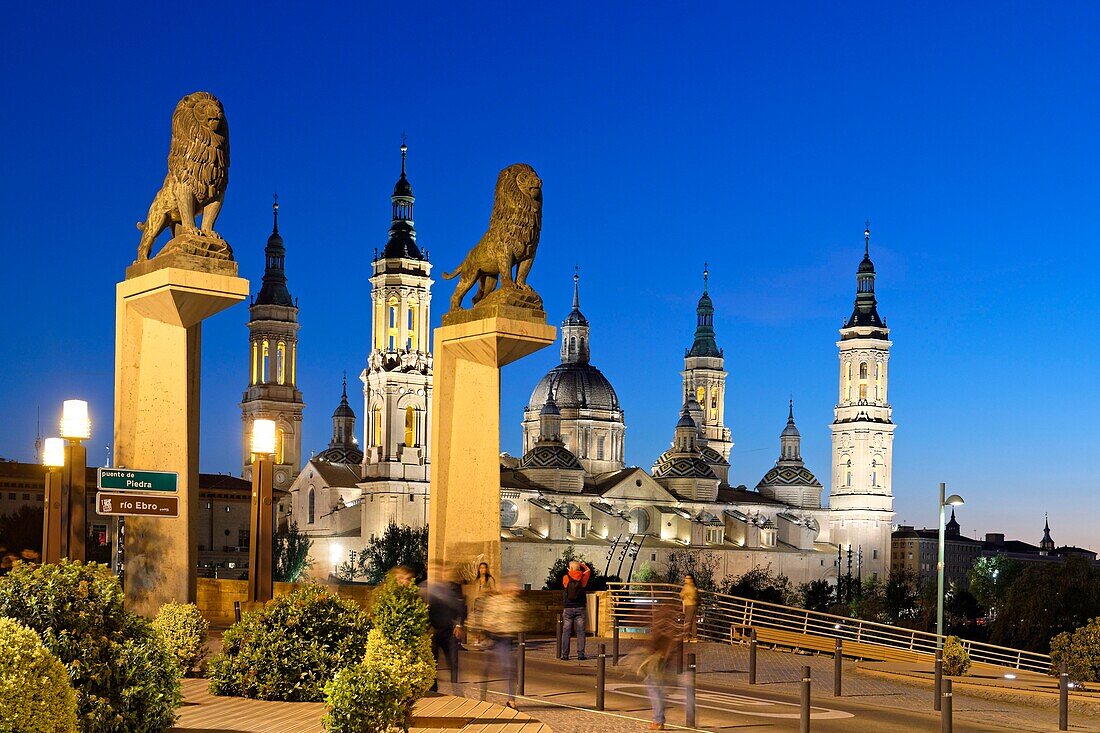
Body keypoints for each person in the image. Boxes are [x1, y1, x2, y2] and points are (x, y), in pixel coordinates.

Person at [479, 574, 526, 709]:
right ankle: (483, 696)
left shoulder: (516, 603)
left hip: (506, 640)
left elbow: (520, 620)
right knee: (487, 669)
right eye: (513, 586)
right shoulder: (496, 601)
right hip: (494, 637)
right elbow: (488, 618)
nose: (516, 589)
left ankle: (511, 700)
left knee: (510, 669)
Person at [421, 562, 467, 691]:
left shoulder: (453, 588)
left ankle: (456, 689)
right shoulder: (425, 588)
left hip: (449, 631)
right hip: (433, 631)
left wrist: (459, 624)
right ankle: (433, 689)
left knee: (453, 663)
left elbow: (461, 608)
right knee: (432, 662)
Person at [639, 601, 679, 730]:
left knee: (654, 690)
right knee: (659, 690)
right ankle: (659, 719)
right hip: (664, 660)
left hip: (657, 660)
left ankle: (658, 720)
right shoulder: (672, 626)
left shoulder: (660, 624)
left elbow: (654, 642)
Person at [560, 560, 591, 660]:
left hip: (568, 607)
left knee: (566, 632)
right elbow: (588, 570)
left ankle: (565, 655)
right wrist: (581, 565)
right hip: (580, 607)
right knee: (581, 632)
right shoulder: (583, 578)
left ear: (570, 568)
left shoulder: (566, 578)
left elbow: (566, 583)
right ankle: (581, 654)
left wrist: (571, 569)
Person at [470, 561, 496, 649]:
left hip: (486, 602)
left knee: (486, 622)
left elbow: (494, 591)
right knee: (477, 622)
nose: (482, 570)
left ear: (486, 569)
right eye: (480, 568)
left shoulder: (490, 579)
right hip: (477, 601)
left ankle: (487, 639)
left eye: (484, 568)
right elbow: (474, 592)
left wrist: (486, 592)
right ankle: (477, 639)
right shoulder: (477, 580)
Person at [680, 573, 698, 641]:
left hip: (689, 605)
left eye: (687, 578)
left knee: (687, 621)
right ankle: (694, 637)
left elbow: (681, 594)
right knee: (693, 621)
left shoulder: (687, 587)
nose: (685, 579)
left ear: (691, 579)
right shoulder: (694, 586)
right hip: (694, 606)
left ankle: (685, 637)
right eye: (686, 578)